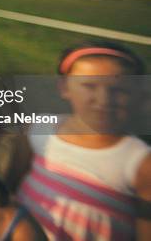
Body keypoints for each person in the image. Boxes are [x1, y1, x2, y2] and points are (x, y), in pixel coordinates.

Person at [12, 41, 151, 240]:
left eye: (119, 90)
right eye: (89, 85)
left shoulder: (140, 163)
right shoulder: (40, 127)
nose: (103, 100)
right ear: (64, 87)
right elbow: (13, 181)